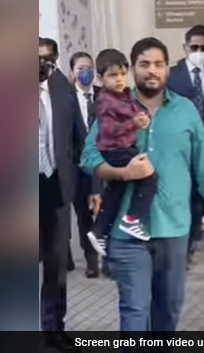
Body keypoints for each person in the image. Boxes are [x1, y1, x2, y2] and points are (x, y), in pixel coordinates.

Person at [81, 37, 204, 332]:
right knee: (134, 310)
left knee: (168, 309)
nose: (152, 71)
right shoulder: (115, 105)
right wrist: (124, 173)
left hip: (174, 227)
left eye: (158, 64)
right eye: (144, 64)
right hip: (125, 231)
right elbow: (89, 156)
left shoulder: (185, 110)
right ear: (133, 68)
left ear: (167, 68)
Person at [86, 49, 158, 256]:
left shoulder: (124, 94)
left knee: (115, 193)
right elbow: (109, 130)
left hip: (122, 147)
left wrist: (142, 118)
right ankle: (133, 218)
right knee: (149, 177)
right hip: (116, 150)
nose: (119, 79)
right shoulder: (105, 100)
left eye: (122, 74)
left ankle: (99, 231)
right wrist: (133, 123)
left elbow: (135, 111)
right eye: (112, 75)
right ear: (101, 78)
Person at [39, 38, 84, 350]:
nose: (42, 64)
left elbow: (80, 137)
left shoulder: (62, 88)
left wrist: (91, 187)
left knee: (55, 264)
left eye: (48, 59)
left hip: (56, 187)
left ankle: (54, 327)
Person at [168, 25, 204, 266]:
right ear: (185, 47)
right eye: (194, 47)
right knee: (186, 197)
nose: (199, 52)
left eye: (203, 47)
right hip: (183, 146)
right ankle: (186, 248)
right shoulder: (173, 75)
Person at [66, 52, 104, 278]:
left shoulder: (104, 96)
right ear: (72, 73)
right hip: (78, 168)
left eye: (89, 67)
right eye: (80, 68)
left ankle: (109, 258)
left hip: (104, 165)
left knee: (106, 212)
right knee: (84, 215)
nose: (85, 72)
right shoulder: (65, 99)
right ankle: (91, 261)